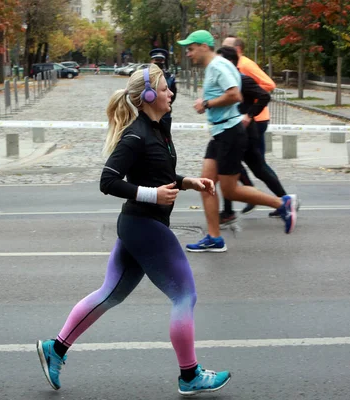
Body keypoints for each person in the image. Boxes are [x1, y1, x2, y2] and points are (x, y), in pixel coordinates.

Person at [36, 64, 232, 396]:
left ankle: (56, 348)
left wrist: (187, 182)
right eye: (166, 89)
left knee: (110, 294)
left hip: (139, 227)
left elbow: (159, 173)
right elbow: (108, 182)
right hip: (143, 225)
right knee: (184, 295)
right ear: (150, 96)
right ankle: (189, 375)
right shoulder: (135, 135)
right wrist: (152, 195)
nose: (171, 93)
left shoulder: (158, 128)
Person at [177, 30, 297, 253]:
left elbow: (235, 95)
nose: (188, 53)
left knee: (230, 191)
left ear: (204, 46)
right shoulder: (217, 65)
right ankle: (214, 238)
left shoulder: (218, 66)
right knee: (206, 185)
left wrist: (207, 104)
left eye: (191, 48)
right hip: (221, 132)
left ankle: (282, 204)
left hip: (230, 132)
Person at [215, 45, 289, 227]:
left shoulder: (242, 80)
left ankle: (230, 211)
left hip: (245, 133)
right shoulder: (227, 81)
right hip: (232, 131)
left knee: (250, 168)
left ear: (229, 62)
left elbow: (264, 95)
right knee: (236, 168)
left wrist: (249, 115)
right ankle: (282, 201)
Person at [149, 48, 177, 126]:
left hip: (165, 112)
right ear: (152, 61)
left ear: (163, 61)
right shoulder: (144, 76)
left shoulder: (170, 77)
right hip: (149, 111)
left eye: (160, 60)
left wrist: (166, 103)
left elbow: (173, 93)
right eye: (156, 60)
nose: (158, 62)